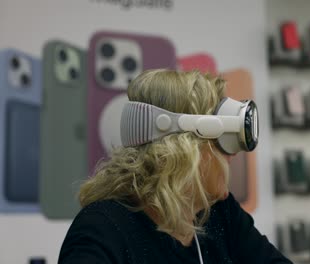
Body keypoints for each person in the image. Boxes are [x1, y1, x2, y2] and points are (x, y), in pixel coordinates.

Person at [58, 69, 292, 264]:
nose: (232, 157)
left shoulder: (220, 214)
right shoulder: (103, 230)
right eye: (224, 143)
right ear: (186, 148)